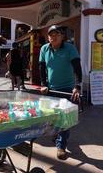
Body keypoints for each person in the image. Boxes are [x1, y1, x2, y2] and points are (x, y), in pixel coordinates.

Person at [39, 25, 82, 160]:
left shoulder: (70, 48)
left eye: (57, 34)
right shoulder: (44, 49)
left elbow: (77, 67)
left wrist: (77, 86)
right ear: (48, 37)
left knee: (64, 119)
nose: (54, 36)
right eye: (51, 34)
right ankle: (57, 134)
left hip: (67, 90)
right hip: (51, 89)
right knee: (53, 116)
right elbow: (41, 68)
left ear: (62, 36)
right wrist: (44, 84)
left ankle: (61, 146)